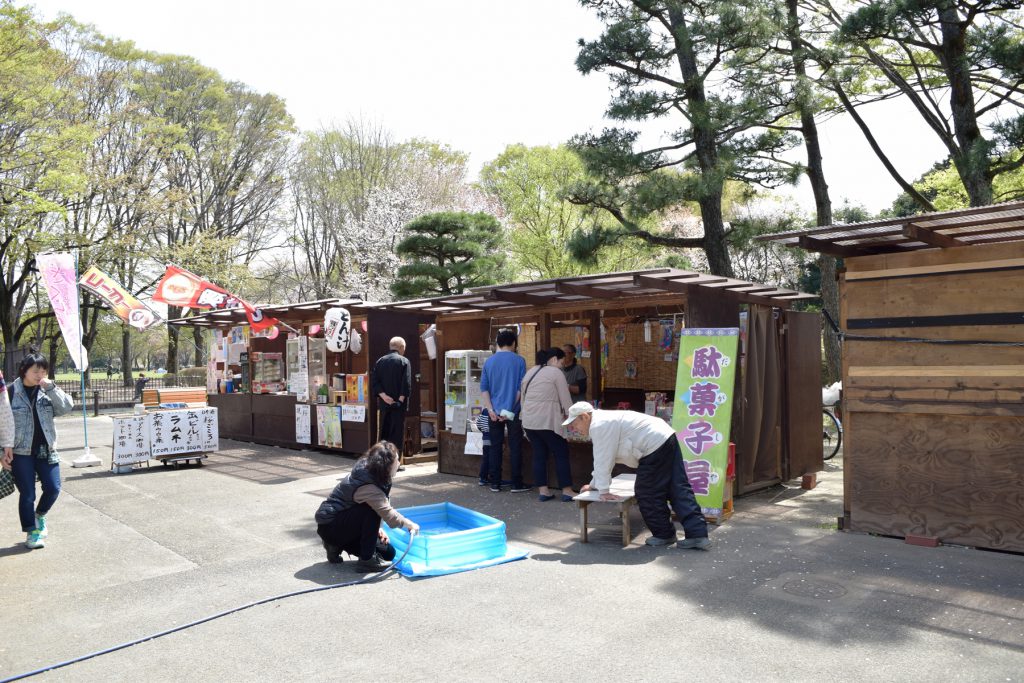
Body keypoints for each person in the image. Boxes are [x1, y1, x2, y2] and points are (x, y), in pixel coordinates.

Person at [563, 402, 711, 550]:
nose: (573, 428)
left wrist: (603, 490)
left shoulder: (599, 425)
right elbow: (603, 459)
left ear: (584, 417)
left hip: (654, 445)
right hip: (665, 437)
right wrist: (596, 485)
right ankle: (697, 534)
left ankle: (664, 534)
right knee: (677, 486)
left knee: (647, 492)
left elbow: (603, 459)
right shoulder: (603, 420)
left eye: (574, 423)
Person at [314, 441, 420, 572]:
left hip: (347, 524)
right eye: (397, 460)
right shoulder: (367, 483)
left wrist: (378, 528)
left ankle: (335, 546)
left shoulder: (376, 473)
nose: (399, 463)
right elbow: (386, 512)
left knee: (388, 553)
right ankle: (366, 561)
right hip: (331, 525)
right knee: (370, 511)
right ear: (387, 465)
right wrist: (410, 524)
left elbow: (382, 504)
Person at [6, 353, 74, 549]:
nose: (40, 375)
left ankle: (40, 515)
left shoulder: (47, 391)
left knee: (53, 488)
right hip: (20, 452)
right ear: (24, 370)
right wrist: (2, 452)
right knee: (27, 494)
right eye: (36, 371)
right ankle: (31, 532)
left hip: (47, 449)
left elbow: (66, 408)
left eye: (43, 371)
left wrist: (51, 387)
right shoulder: (10, 393)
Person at [521, 348, 575, 502]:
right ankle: (567, 490)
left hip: (529, 421)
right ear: (553, 360)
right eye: (561, 361)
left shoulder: (530, 372)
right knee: (561, 452)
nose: (562, 365)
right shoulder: (555, 372)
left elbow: (523, 397)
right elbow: (566, 399)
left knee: (539, 454)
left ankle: (543, 491)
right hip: (547, 420)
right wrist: (574, 418)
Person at [480, 328, 529, 493]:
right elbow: (519, 390)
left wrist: (491, 410)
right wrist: (506, 411)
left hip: (493, 412)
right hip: (513, 411)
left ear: (498, 343)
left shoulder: (489, 362)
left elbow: (484, 389)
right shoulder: (520, 361)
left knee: (495, 447)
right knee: (515, 446)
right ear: (513, 343)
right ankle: (516, 483)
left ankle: (495, 483)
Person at [372, 337, 412, 466]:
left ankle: (381, 461)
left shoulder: (380, 361)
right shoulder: (404, 361)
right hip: (398, 406)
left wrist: (383, 396)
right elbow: (406, 383)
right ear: (401, 348)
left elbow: (375, 382)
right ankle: (394, 463)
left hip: (384, 404)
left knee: (383, 432)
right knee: (397, 433)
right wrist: (399, 401)